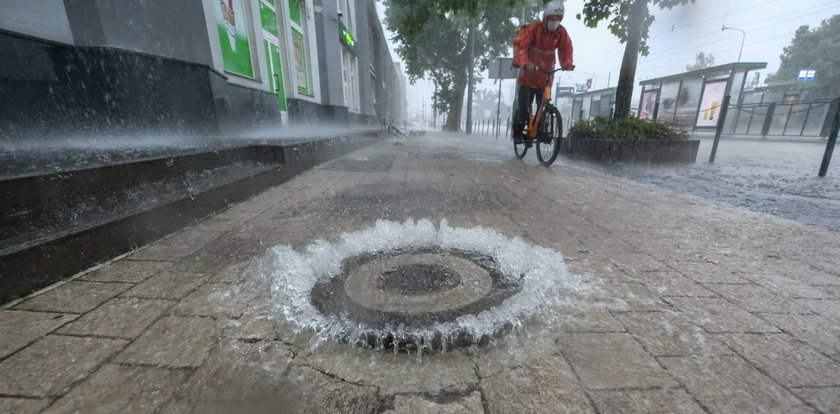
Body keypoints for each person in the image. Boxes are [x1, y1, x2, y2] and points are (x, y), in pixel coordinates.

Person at [511, 0, 574, 144]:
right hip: (527, 76)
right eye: (552, 19)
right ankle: (518, 133)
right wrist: (524, 62)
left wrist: (567, 64)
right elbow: (522, 45)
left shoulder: (560, 32)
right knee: (524, 109)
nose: (554, 22)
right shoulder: (534, 29)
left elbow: (566, 48)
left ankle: (541, 131)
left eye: (557, 19)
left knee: (543, 107)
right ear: (545, 17)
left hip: (545, 75)